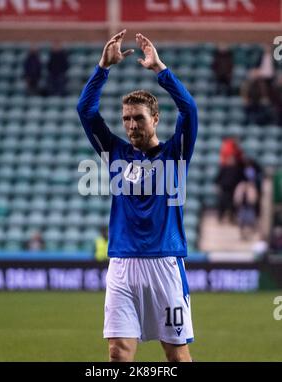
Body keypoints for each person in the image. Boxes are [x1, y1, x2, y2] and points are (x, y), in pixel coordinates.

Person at [77, 30, 198, 362]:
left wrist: (161, 70)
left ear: (155, 119)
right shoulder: (114, 152)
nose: (130, 125)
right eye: (126, 119)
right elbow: (85, 111)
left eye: (138, 118)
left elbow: (190, 110)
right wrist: (102, 68)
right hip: (122, 265)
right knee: (118, 353)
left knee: (176, 355)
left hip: (164, 262)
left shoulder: (176, 155)